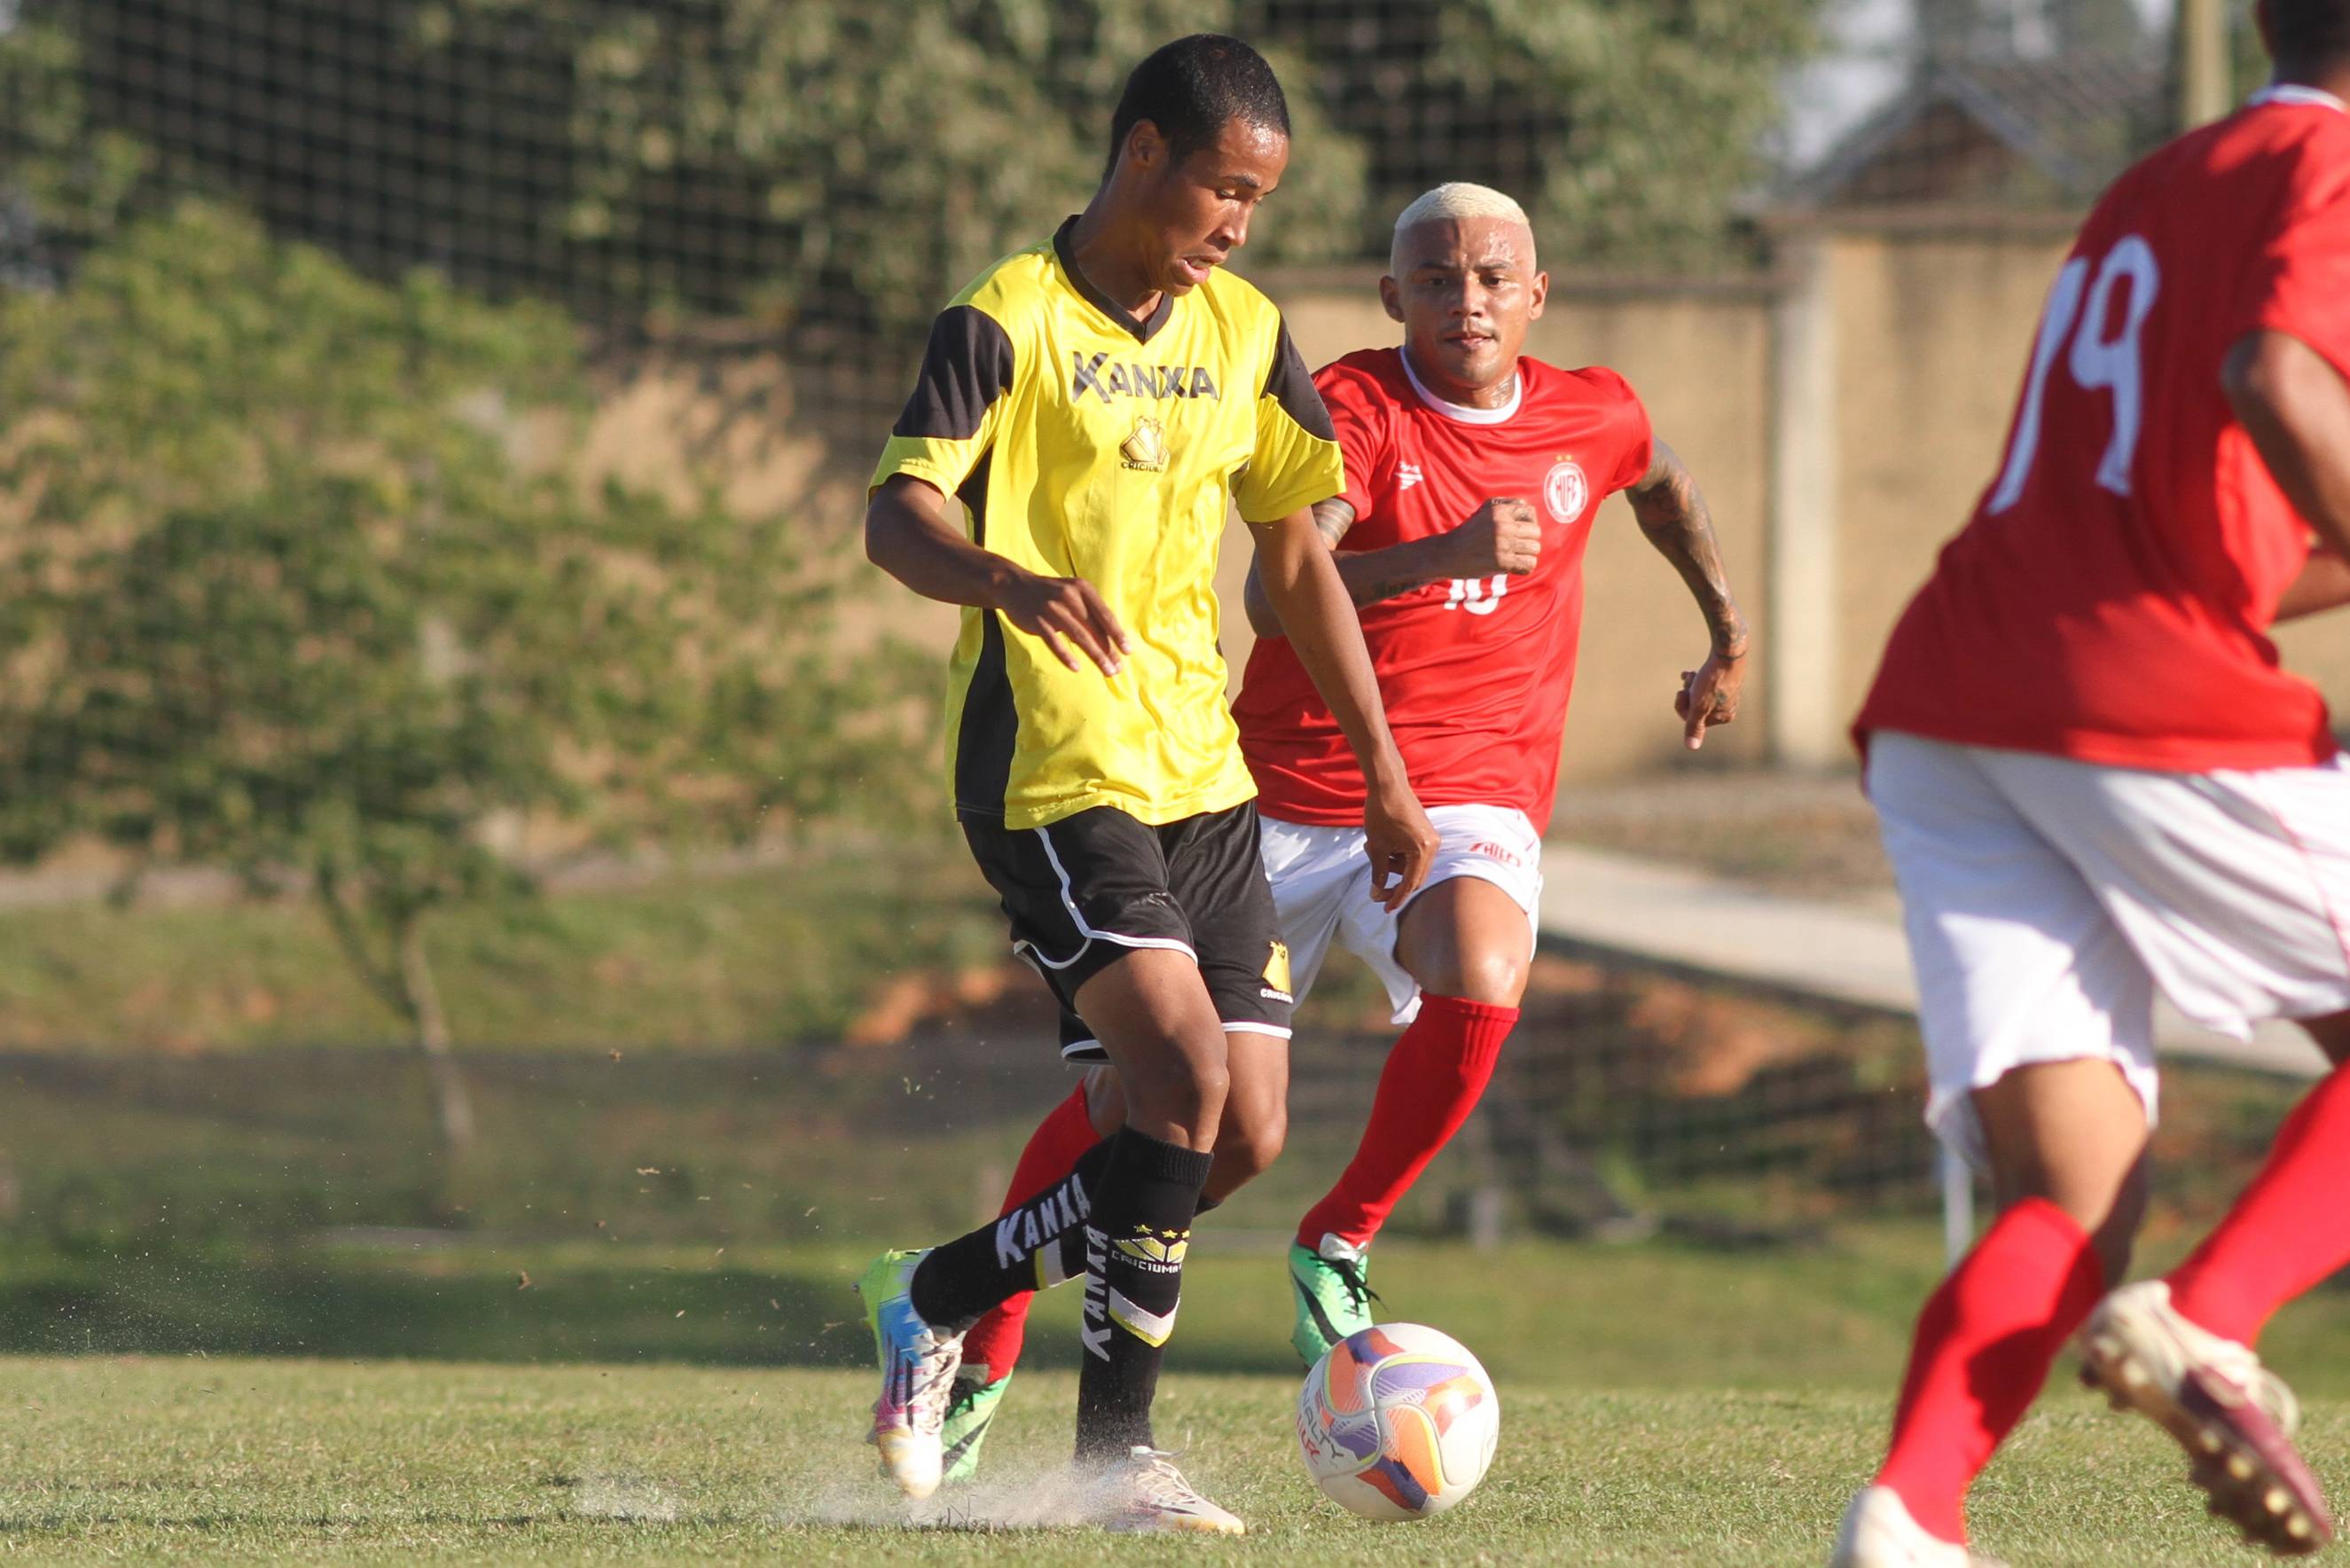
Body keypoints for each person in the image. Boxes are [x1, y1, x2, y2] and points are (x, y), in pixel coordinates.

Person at [936, 180, 1750, 1479]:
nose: (1466, 301)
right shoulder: (1356, 409)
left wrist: (1724, 629)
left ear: (1537, 294)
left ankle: (1342, 1235)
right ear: (1391, 296)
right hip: (1274, 799)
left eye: (1493, 278)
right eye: (1436, 279)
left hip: (1463, 796)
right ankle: (985, 1320)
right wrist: (1443, 552)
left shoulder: (1594, 412)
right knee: (1161, 1113)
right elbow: (1280, 591)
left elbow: (1658, 485)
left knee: (1483, 964)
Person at [858, 34, 1436, 1535]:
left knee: (1240, 1134)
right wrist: (1003, 576)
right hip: (1052, 765)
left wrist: (1383, 772)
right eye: (1221, 189)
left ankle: (937, 1293)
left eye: (1257, 201)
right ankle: (1116, 1459)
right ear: (1140, 154)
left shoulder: (1246, 330)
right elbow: (898, 513)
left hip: (1202, 769)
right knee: (1175, 1080)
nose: (1236, 224)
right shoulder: (1007, 316)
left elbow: (1297, 558)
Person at [1833, 4, 2350, 1562]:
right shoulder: (2330, 167)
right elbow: (2279, 374)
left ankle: (1909, 1519)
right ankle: (2210, 1322)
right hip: (2127, 696)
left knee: (2068, 1185)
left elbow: (2200, 527)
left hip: (1956, 695)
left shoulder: (2160, 178)